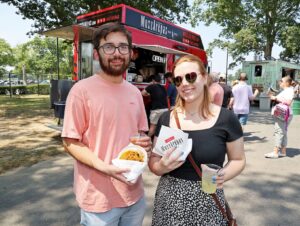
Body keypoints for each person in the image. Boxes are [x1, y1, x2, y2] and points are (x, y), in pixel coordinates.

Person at [61, 23, 152, 226]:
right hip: (98, 200)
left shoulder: (135, 93)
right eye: (109, 47)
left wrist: (146, 144)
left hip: (134, 195)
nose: (117, 53)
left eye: (123, 47)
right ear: (96, 54)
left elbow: (140, 136)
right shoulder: (81, 90)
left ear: (130, 53)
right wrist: (104, 167)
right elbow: (70, 141)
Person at [148, 55, 246, 225]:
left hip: (208, 202)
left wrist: (222, 175)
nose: (184, 83)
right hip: (169, 205)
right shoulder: (167, 118)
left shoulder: (226, 118)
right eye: (178, 80)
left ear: (204, 78)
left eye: (191, 76)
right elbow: (154, 162)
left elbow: (238, 160)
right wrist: (160, 167)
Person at [265, 76, 294, 159]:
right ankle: (283, 151)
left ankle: (275, 152)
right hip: (285, 113)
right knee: (283, 132)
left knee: (279, 131)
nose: (280, 82)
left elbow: (288, 102)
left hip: (283, 113)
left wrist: (275, 98)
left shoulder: (289, 90)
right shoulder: (288, 90)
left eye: (281, 81)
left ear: (287, 83)